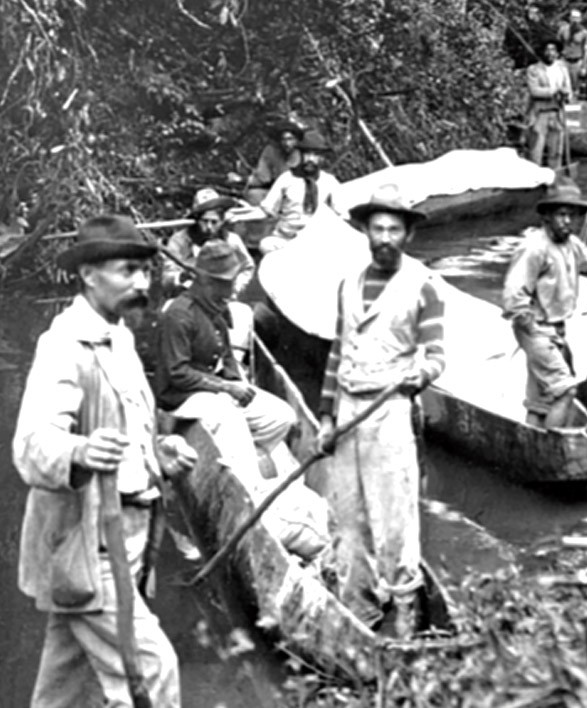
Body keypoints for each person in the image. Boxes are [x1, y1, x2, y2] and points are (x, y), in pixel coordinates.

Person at [13, 215, 197, 708]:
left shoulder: (119, 337)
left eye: (145, 271)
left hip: (128, 534)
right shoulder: (64, 347)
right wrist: (78, 450)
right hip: (88, 543)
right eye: (127, 271)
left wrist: (160, 450)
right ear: (89, 274)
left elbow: (132, 426)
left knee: (67, 689)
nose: (141, 284)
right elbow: (31, 445)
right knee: (151, 675)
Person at [315, 185, 445, 637]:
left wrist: (422, 375)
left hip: (389, 408)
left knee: (394, 521)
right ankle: (360, 611)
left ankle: (406, 609)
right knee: (347, 518)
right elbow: (337, 351)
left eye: (394, 229)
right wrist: (328, 417)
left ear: (407, 234)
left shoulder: (423, 287)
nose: (385, 237)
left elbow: (436, 354)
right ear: (365, 231)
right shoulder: (347, 284)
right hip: (349, 409)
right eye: (377, 228)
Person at [156, 240, 296, 489]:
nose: (232, 292)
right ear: (207, 282)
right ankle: (245, 482)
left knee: (281, 416)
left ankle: (242, 459)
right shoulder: (179, 314)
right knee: (229, 416)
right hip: (181, 396)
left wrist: (236, 383)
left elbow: (228, 356)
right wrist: (226, 389)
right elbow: (177, 373)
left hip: (213, 391)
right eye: (226, 284)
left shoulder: (215, 310)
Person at [503, 181, 587, 429]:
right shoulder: (534, 247)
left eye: (572, 215)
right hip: (536, 328)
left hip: (556, 328)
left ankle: (532, 445)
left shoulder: (572, 245)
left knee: (540, 401)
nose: (567, 221)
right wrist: (529, 326)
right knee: (565, 390)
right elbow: (514, 292)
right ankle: (554, 448)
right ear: (547, 217)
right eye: (561, 214)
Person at [257, 130, 343, 254]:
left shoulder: (329, 182)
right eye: (307, 154)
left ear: (322, 158)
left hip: (315, 241)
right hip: (286, 238)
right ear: (300, 155)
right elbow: (267, 209)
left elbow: (342, 213)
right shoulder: (287, 178)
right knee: (266, 244)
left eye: (316, 155)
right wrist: (238, 215)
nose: (311, 159)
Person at [163, 188, 255, 299]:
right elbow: (166, 279)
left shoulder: (231, 240)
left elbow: (248, 267)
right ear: (196, 220)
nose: (209, 227)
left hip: (221, 299)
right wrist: (181, 277)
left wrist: (235, 290)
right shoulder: (179, 241)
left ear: (221, 221)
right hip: (187, 299)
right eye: (205, 221)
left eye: (214, 222)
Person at [526, 39, 573, 169]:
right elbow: (534, 91)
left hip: (557, 113)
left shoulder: (562, 69)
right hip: (540, 114)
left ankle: (554, 180)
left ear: (558, 53)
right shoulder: (534, 69)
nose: (550, 53)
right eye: (547, 50)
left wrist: (566, 95)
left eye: (553, 50)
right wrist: (554, 91)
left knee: (556, 151)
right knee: (536, 151)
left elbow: (568, 89)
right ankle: (533, 181)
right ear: (542, 52)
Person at [243, 119, 305, 205]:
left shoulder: (302, 154)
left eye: (290, 139)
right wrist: (246, 179)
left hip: (299, 194)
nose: (287, 143)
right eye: (283, 140)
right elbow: (264, 177)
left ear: (296, 140)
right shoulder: (271, 152)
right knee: (253, 195)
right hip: (277, 193)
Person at [506, 2, 557, 71]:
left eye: (536, 12)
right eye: (531, 10)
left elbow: (551, 40)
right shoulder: (517, 26)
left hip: (540, 64)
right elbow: (509, 44)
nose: (533, 13)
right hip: (522, 64)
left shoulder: (544, 27)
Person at [557, 9, 587, 99]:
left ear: (580, 19)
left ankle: (574, 103)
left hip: (577, 61)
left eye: (577, 18)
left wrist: (584, 66)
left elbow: (585, 50)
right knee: (563, 83)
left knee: (575, 85)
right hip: (564, 60)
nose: (575, 20)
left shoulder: (584, 32)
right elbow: (557, 45)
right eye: (573, 17)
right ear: (570, 18)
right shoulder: (563, 30)